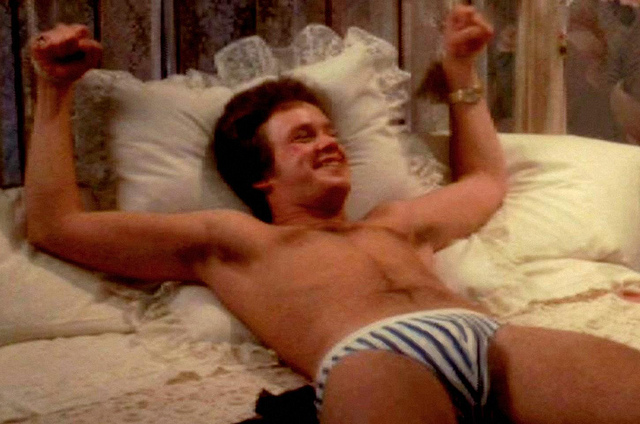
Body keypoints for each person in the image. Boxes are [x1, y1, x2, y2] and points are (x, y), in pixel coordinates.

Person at [25, 5, 640, 424]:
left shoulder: (395, 221)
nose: (329, 143)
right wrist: (54, 92)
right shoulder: (234, 240)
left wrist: (461, 71)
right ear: (261, 175)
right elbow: (56, 226)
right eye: (302, 137)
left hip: (489, 338)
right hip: (373, 356)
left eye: (328, 131)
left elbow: (485, 181)